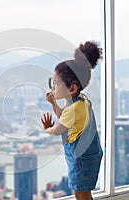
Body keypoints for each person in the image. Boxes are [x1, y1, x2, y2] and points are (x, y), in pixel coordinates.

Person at [41, 41, 103, 200]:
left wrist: (48, 128)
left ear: (72, 88)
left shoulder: (74, 107)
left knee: (81, 194)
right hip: (89, 154)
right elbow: (65, 117)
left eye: (55, 84)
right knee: (83, 192)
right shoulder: (80, 100)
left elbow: (58, 130)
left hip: (81, 159)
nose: (52, 88)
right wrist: (54, 103)